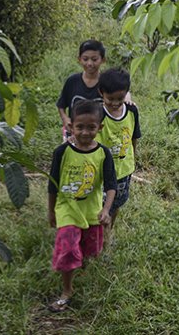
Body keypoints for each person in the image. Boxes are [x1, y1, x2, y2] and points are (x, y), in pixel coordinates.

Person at [47, 99, 116, 313]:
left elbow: (111, 185)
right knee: (68, 249)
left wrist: (106, 210)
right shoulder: (61, 152)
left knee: (90, 250)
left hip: (92, 211)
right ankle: (67, 290)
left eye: (91, 127)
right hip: (67, 210)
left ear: (100, 127)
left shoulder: (104, 153)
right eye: (80, 127)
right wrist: (51, 211)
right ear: (70, 126)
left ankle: (81, 266)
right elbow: (52, 184)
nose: (85, 132)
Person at [96, 68, 141, 237]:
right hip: (101, 172)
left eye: (120, 99)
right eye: (110, 99)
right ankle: (98, 236)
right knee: (99, 206)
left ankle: (108, 232)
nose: (115, 103)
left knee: (116, 204)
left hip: (123, 170)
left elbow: (134, 137)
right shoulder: (98, 113)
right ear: (101, 93)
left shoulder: (131, 111)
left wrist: (133, 158)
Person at [56, 40, 106, 140]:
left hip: (99, 135)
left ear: (103, 60)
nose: (90, 63)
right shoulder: (72, 81)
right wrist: (65, 119)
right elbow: (61, 105)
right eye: (85, 59)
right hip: (74, 134)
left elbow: (121, 92)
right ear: (79, 59)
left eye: (94, 59)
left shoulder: (106, 82)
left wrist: (128, 99)